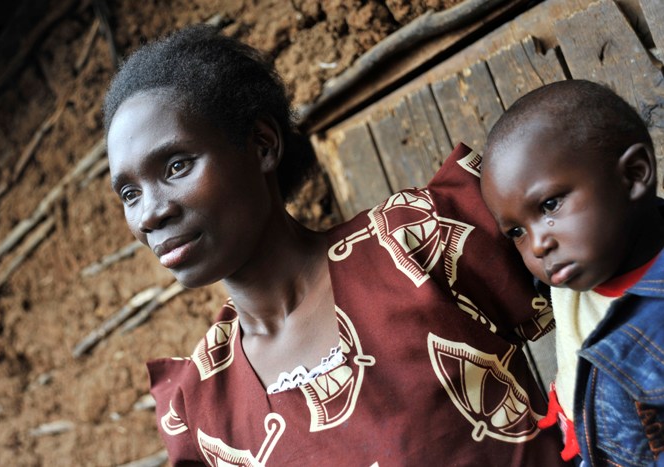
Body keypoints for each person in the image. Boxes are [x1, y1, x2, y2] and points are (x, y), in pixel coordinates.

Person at [103, 24, 567, 465]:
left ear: (263, 145)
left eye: (177, 166)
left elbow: (612, 297)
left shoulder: (416, 243)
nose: (149, 214)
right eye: (129, 193)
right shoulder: (202, 410)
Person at [480, 79, 664, 466]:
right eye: (516, 232)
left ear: (633, 174)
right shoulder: (573, 275)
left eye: (549, 205)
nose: (537, 245)